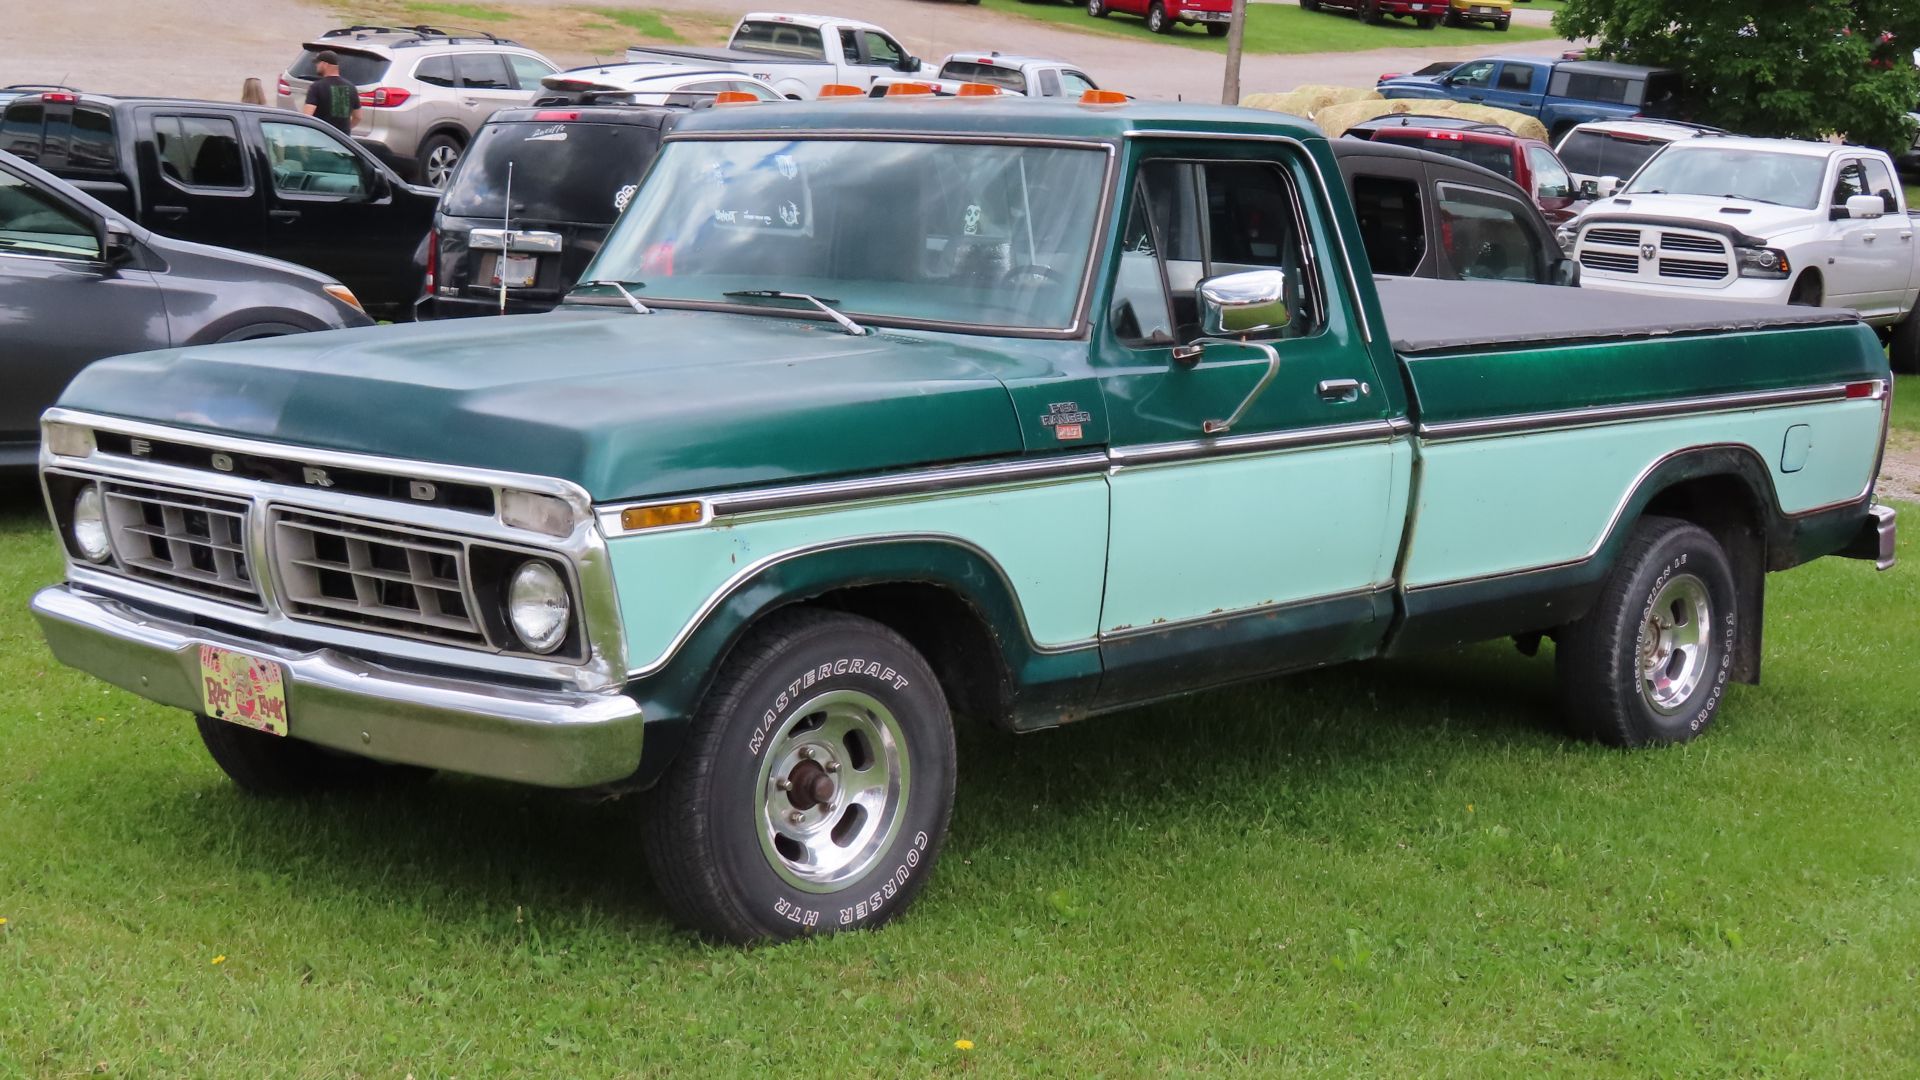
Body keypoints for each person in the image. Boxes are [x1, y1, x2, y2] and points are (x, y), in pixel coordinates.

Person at [302, 51, 361, 135]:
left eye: (318, 63)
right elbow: (358, 117)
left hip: (321, 138)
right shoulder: (351, 87)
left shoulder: (317, 87)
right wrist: (345, 130)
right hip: (341, 140)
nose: (316, 66)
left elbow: (307, 116)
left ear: (324, 64)